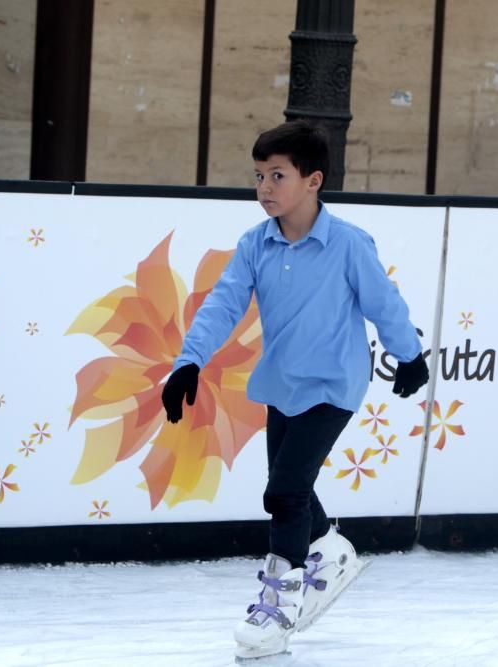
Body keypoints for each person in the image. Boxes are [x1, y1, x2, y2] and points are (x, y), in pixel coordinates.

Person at [160, 120, 429, 660]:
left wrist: (410, 355)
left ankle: (277, 606)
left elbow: (384, 302)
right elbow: (223, 305)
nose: (263, 188)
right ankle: (330, 548)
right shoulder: (255, 243)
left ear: (313, 180)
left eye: (277, 175)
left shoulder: (349, 244)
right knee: (291, 487)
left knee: (283, 493)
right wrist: (188, 362)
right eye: (259, 175)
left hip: (333, 386)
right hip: (281, 384)